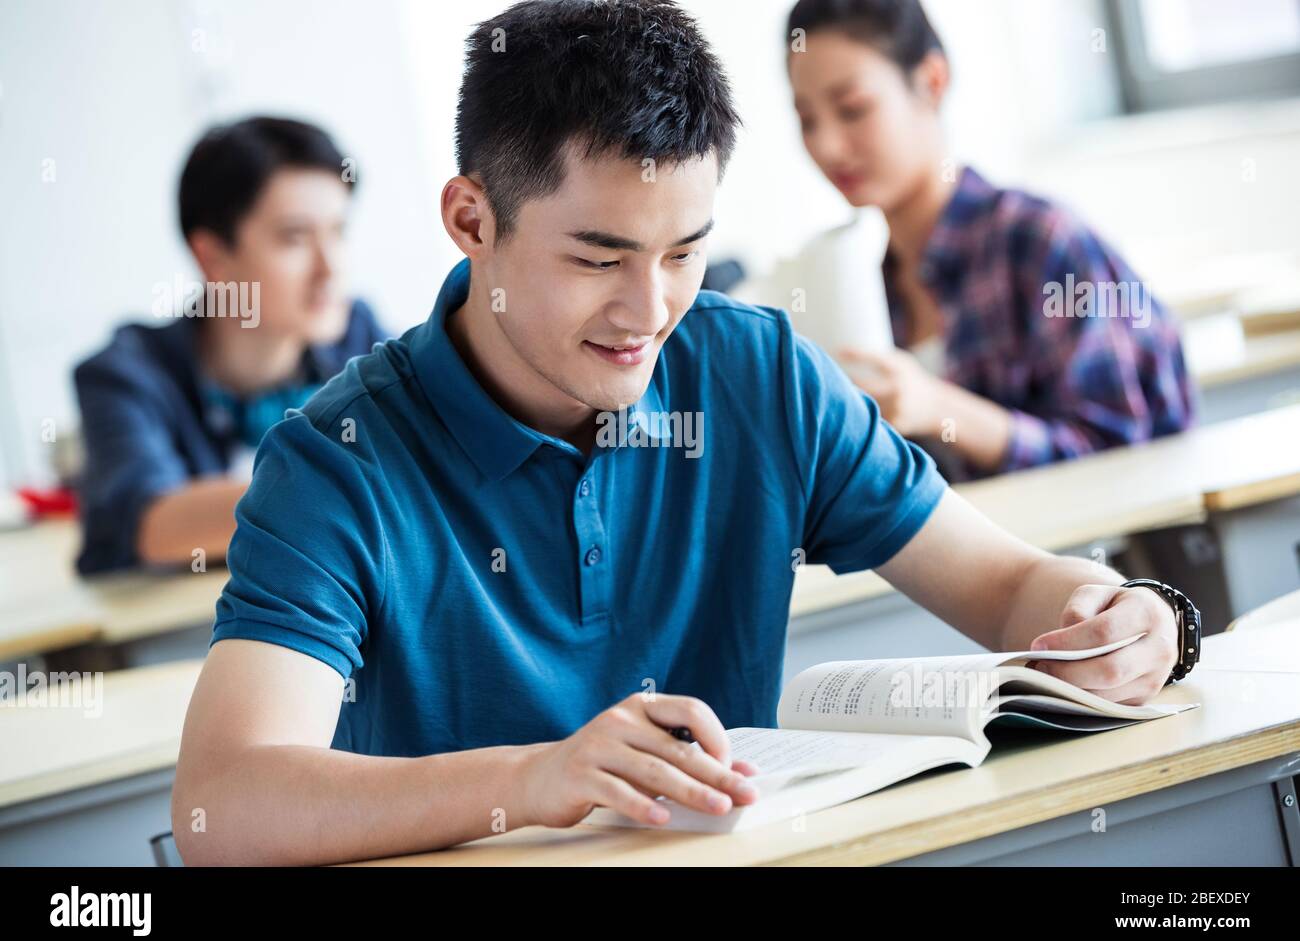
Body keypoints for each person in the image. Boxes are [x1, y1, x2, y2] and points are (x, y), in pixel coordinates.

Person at [174, 0, 1187, 866]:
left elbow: (1008, 586)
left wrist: (1118, 612)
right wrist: (539, 776)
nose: (647, 310)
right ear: (472, 220)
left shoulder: (759, 373)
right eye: (597, 257)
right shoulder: (334, 459)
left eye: (685, 251)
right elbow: (225, 802)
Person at [786, 0, 1196, 480]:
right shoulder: (873, 286)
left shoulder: (1040, 241)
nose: (828, 146)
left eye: (852, 108)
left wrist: (941, 408)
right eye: (807, 120)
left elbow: (1121, 450)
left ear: (932, 82)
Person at [73, 117, 387, 574]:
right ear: (212, 256)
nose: (331, 267)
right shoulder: (126, 373)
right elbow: (155, 524)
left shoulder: (360, 336)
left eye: (338, 232)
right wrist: (348, 483)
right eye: (295, 238)